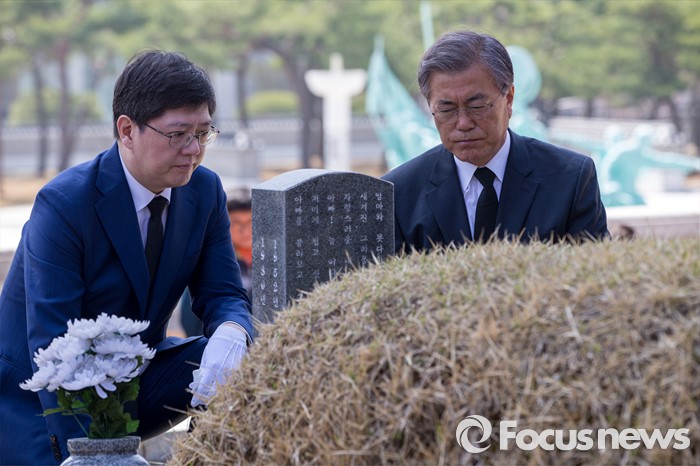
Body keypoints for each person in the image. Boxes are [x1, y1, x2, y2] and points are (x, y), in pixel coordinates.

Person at [0, 50, 254, 465]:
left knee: (240, 351)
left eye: (203, 133)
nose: (193, 149)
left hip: (136, 384)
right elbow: (51, 343)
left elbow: (224, 293)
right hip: (40, 402)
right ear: (127, 130)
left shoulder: (204, 190)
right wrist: (94, 455)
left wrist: (233, 330)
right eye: (178, 134)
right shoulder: (65, 204)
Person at [382, 30, 609, 253]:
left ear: (509, 99)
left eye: (477, 106)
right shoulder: (398, 193)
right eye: (447, 109)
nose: (463, 123)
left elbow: (595, 269)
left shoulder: (570, 179)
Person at [180, 187, 252, 337]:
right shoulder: (211, 262)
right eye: (237, 223)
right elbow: (189, 318)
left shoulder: (271, 260)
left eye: (251, 222)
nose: (245, 230)